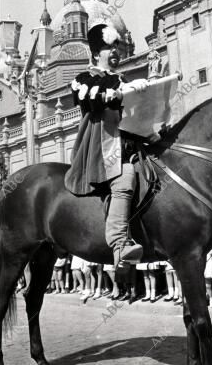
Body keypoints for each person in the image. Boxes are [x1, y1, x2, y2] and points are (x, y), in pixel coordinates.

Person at [64, 22, 149, 269]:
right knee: (126, 177)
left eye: (116, 47)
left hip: (132, 143)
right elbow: (91, 97)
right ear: (95, 52)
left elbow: (137, 114)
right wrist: (123, 91)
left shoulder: (121, 79)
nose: (115, 51)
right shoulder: (83, 79)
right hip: (102, 148)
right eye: (108, 47)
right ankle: (120, 245)